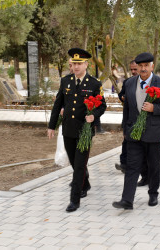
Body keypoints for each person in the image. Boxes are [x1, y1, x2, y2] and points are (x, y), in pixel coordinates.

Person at [112, 52, 160, 209]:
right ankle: (127, 200)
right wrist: (125, 127)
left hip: (154, 133)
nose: (143, 69)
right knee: (132, 165)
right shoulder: (129, 83)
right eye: (140, 66)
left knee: (154, 165)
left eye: (146, 66)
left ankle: (153, 194)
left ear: (152, 66)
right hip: (134, 132)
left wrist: (155, 108)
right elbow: (127, 107)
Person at [48, 48, 107, 212]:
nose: (76, 67)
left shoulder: (95, 84)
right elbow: (57, 104)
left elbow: (102, 105)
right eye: (74, 63)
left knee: (80, 165)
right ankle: (85, 183)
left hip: (84, 131)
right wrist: (51, 126)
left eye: (79, 63)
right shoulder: (65, 81)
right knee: (75, 163)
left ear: (86, 64)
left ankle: (75, 200)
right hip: (68, 129)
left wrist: (93, 116)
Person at [115, 60, 139, 173]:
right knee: (126, 141)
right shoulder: (128, 82)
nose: (133, 72)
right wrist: (122, 97)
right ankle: (124, 164)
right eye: (132, 70)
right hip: (129, 118)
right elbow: (121, 94)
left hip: (141, 118)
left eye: (135, 69)